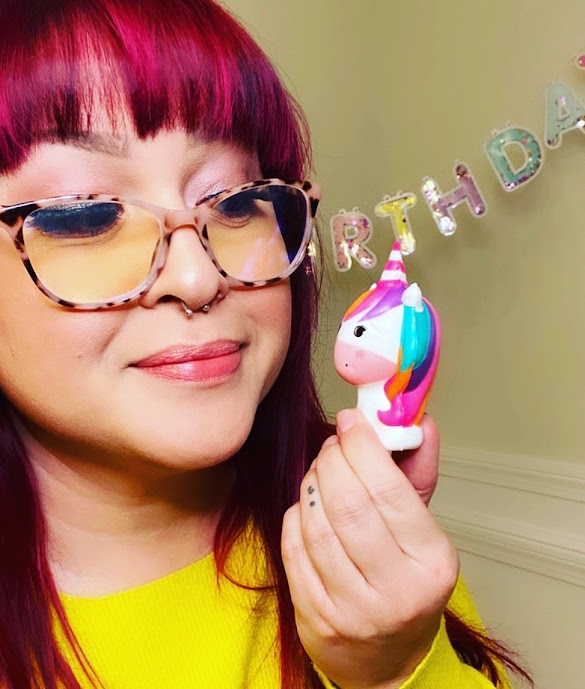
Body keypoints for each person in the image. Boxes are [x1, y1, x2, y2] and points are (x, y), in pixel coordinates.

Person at [0, 1, 533, 688]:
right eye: (86, 215)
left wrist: (394, 668)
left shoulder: (358, 550)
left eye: (234, 202)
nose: (197, 278)